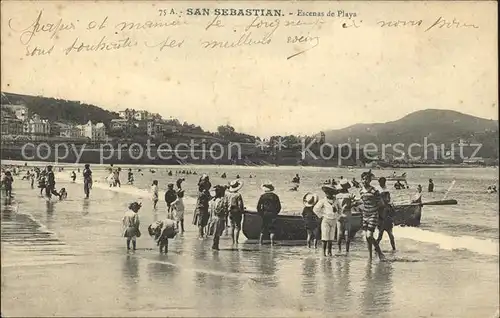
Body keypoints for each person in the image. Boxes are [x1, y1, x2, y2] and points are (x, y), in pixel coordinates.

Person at [359, 171, 385, 260]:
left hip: (373, 214)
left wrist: (378, 214)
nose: (364, 181)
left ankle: (380, 253)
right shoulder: (361, 191)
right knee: (367, 238)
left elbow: (381, 203)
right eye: (363, 179)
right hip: (365, 214)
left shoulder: (374, 191)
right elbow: (362, 201)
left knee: (369, 235)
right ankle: (370, 257)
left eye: (366, 179)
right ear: (361, 180)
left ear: (370, 180)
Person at [313, 184, 338, 256]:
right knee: (324, 237)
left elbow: (340, 209)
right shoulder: (323, 201)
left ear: (332, 193)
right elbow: (315, 209)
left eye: (329, 192)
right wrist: (321, 215)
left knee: (331, 237)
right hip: (326, 220)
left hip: (333, 220)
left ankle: (329, 252)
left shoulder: (336, 201)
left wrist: (337, 215)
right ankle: (323, 253)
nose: (328, 194)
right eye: (326, 192)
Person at [257, 181, 281, 245]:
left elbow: (258, 206)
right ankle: (272, 243)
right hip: (273, 214)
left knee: (263, 228)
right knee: (272, 229)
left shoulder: (263, 196)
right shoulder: (275, 196)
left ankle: (260, 242)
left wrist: (261, 213)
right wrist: (275, 213)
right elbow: (279, 207)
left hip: (265, 213)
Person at [335, 179, 356, 254]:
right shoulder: (349, 195)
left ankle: (339, 249)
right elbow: (352, 204)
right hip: (347, 214)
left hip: (339, 214)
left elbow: (335, 206)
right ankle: (347, 250)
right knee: (347, 232)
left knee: (339, 233)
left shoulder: (337, 196)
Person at [376, 177, 396, 251]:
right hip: (382, 216)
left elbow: (389, 200)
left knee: (390, 235)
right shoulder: (378, 190)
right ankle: (376, 248)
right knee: (380, 235)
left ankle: (394, 249)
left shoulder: (385, 190)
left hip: (386, 217)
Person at [209, 185, 229, 250]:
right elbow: (220, 210)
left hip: (213, 217)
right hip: (219, 218)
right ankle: (215, 246)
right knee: (217, 233)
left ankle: (215, 245)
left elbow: (212, 210)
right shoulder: (220, 200)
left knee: (216, 233)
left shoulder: (213, 200)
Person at [226, 179, 245, 244]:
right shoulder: (238, 195)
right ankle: (236, 241)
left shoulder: (227, 194)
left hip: (230, 211)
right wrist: (242, 211)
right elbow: (240, 205)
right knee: (237, 227)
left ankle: (232, 241)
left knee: (232, 226)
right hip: (237, 212)